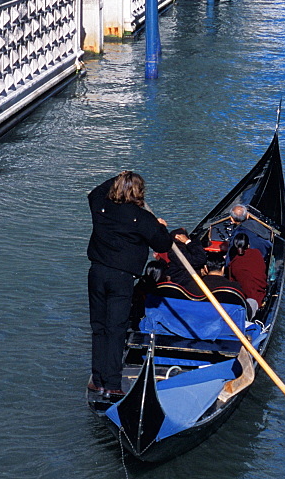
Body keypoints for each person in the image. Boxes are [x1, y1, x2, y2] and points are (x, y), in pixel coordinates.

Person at [87, 170, 172, 400]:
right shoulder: (142, 218)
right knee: (116, 329)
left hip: (96, 273)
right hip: (121, 278)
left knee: (99, 327)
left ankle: (98, 381)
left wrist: (117, 176)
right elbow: (163, 243)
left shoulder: (101, 207)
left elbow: (95, 192)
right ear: (139, 193)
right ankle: (113, 384)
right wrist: (160, 225)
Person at [227, 232, 267, 318]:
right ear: (248, 245)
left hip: (245, 296)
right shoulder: (256, 253)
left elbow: (232, 281)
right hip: (258, 294)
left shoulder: (233, 264)